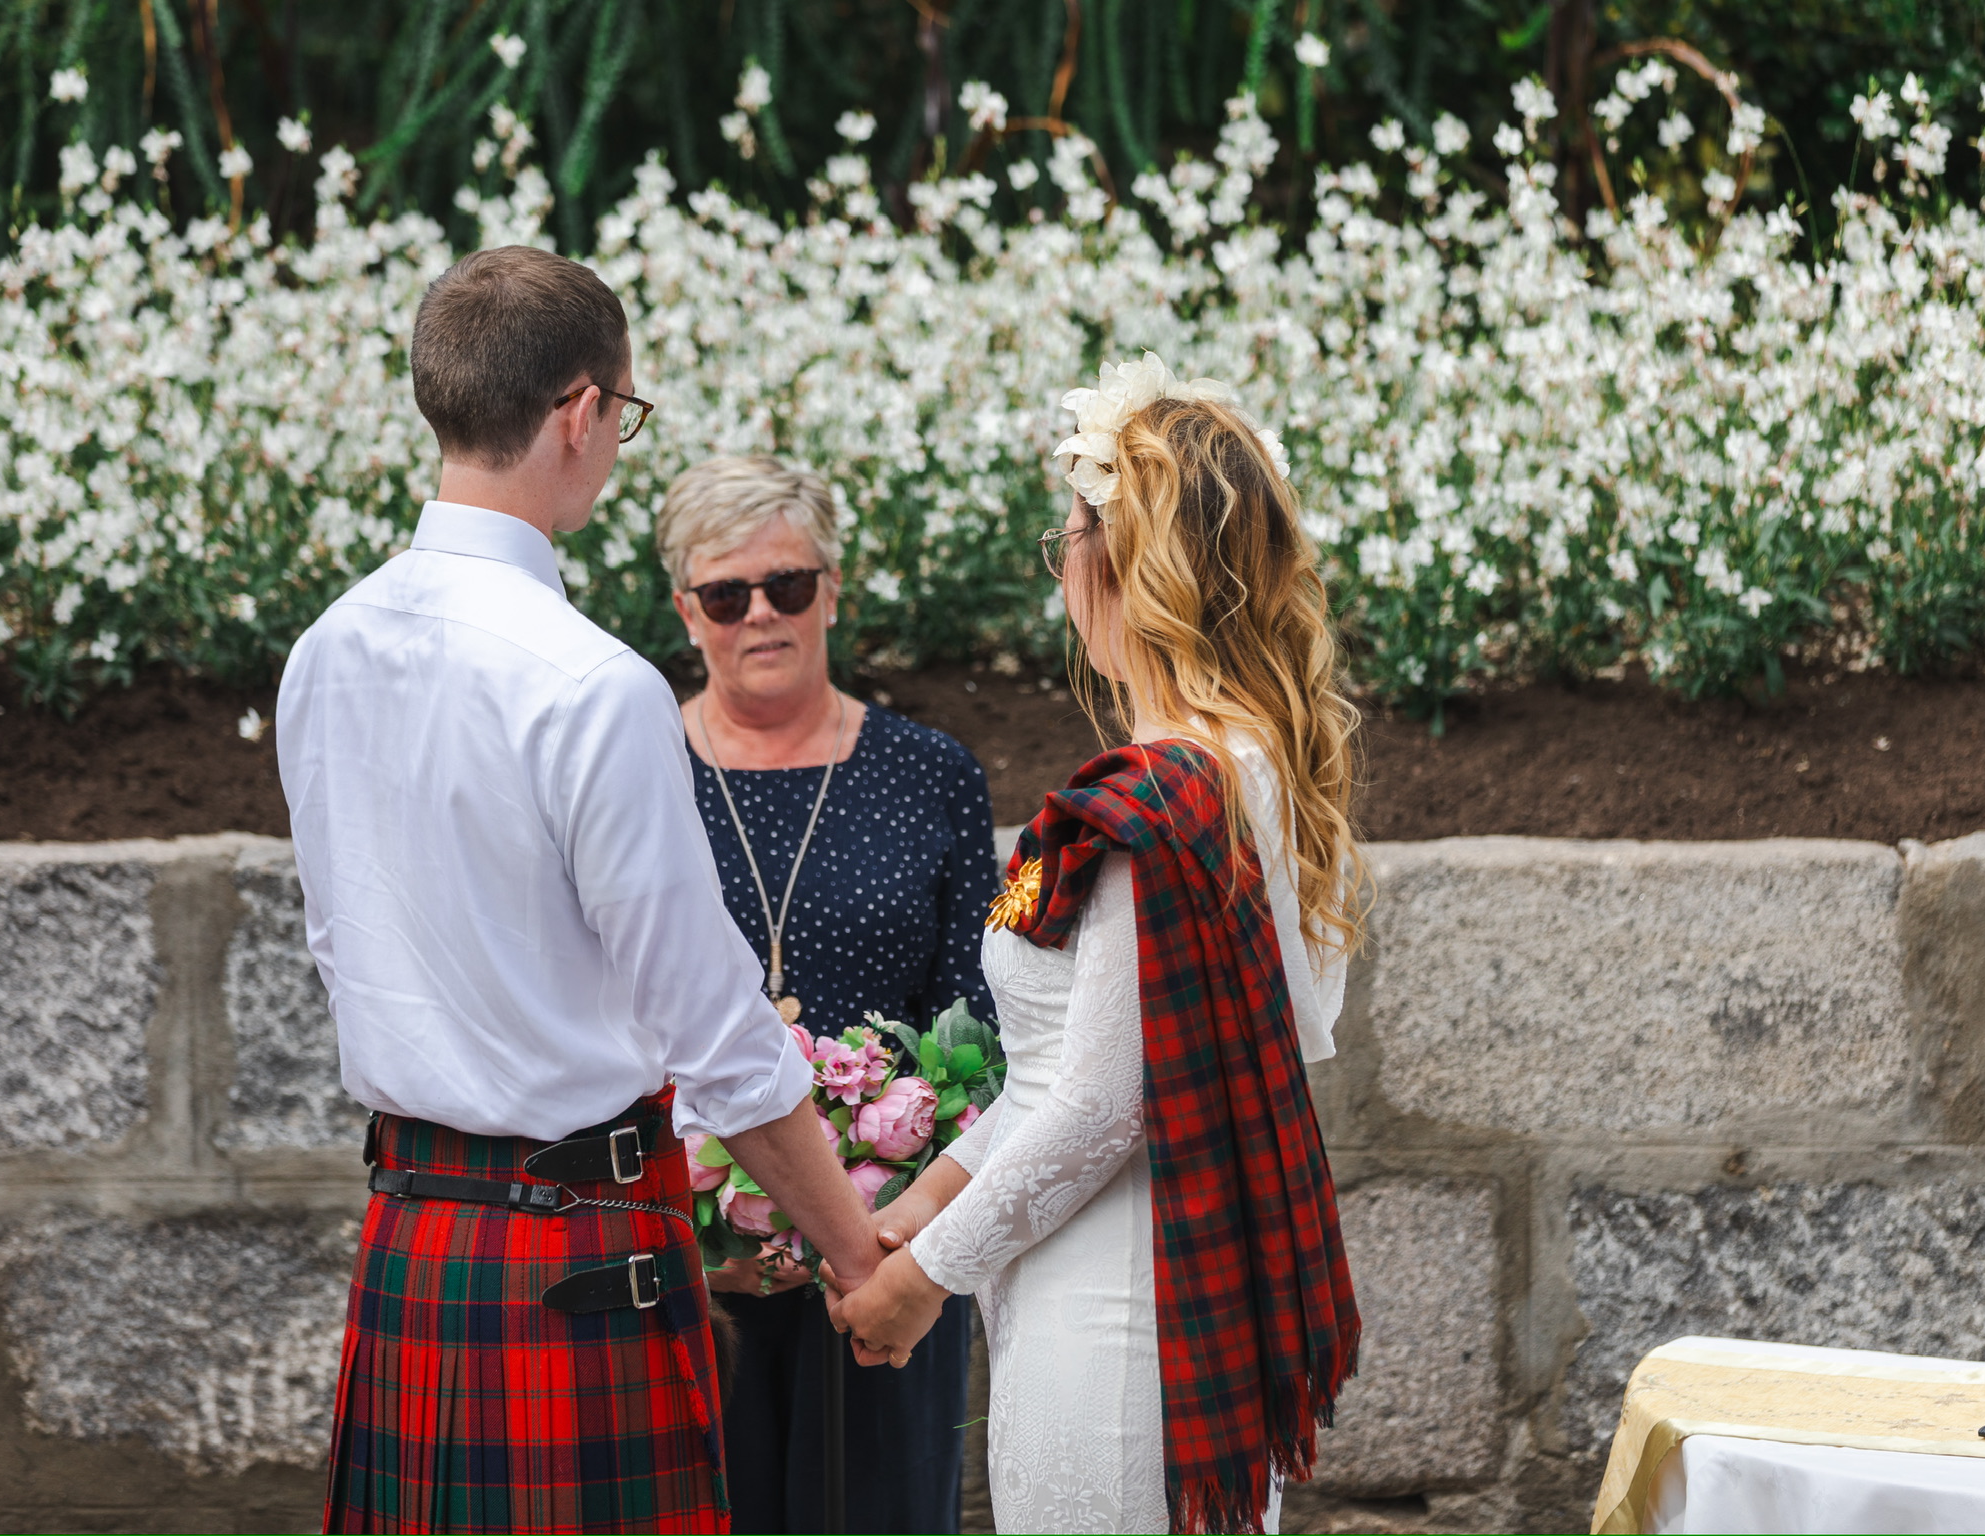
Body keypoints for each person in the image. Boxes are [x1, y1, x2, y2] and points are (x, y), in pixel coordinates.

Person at [277, 245, 886, 1535]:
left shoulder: (327, 649)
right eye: (624, 412)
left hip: (414, 1237)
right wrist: (855, 1252)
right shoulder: (589, 682)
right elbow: (712, 1026)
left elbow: (343, 945)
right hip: (577, 1249)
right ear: (579, 411)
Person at [828, 354, 1366, 1535]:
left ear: (1122, 562)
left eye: (1067, 529)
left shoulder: (1169, 791)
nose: (1058, 558)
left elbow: (1105, 1102)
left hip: (1121, 1307)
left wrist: (918, 1284)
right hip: (1125, 1282)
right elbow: (1065, 1070)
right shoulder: (1255, 763)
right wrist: (923, 1207)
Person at [658, 454, 999, 1534]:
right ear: (686, 611)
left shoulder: (932, 771)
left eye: (789, 586)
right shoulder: (635, 766)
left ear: (833, 592)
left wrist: (896, 1228)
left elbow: (981, 1030)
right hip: (686, 1252)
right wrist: (709, 1212)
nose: (760, 614)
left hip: (888, 1261)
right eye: (727, 594)